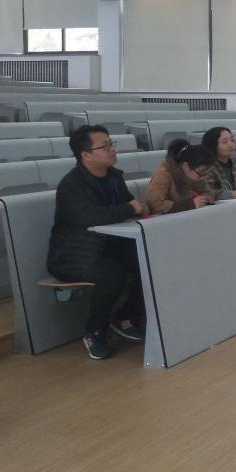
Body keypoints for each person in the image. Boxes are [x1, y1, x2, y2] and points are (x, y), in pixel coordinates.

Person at [47, 124, 149, 360]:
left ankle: (127, 315)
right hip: (73, 254)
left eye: (111, 143)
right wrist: (130, 207)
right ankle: (94, 331)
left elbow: (129, 206)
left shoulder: (113, 177)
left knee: (149, 257)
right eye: (105, 146)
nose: (113, 149)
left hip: (107, 246)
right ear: (86, 155)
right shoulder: (71, 185)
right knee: (111, 272)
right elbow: (88, 217)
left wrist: (139, 208)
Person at [144, 139, 215, 214]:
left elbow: (206, 192)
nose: (203, 178)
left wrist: (204, 199)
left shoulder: (193, 174)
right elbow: (155, 205)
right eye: (201, 173)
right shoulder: (163, 175)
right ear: (185, 166)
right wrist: (190, 205)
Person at [200, 126, 236, 200]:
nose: (231, 145)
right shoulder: (207, 168)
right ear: (213, 146)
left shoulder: (234, 164)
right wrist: (233, 194)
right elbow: (206, 193)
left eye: (232, 140)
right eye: (225, 142)